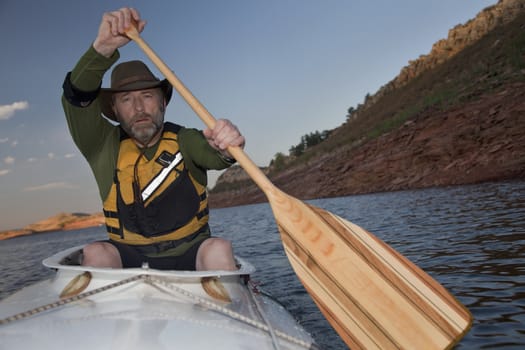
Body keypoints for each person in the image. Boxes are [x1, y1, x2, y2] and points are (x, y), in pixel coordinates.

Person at [61, 7, 245, 271]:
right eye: (126, 99)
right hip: (130, 258)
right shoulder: (101, 145)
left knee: (219, 248)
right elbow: (75, 99)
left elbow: (217, 154)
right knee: (96, 252)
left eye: (147, 96)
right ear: (114, 109)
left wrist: (228, 144)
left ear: (163, 102)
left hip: (192, 252)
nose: (138, 108)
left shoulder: (186, 139)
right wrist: (101, 49)